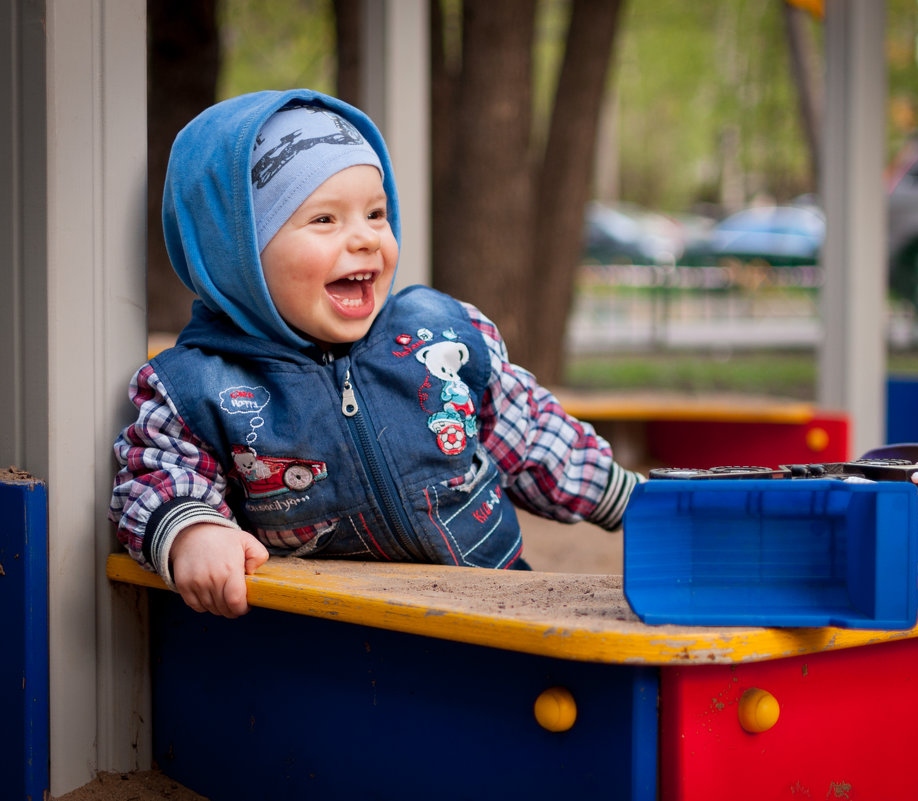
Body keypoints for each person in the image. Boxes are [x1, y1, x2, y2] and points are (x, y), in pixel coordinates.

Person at [110, 89, 643, 618]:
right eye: (325, 220)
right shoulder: (199, 387)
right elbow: (155, 476)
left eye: (376, 213)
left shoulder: (439, 334)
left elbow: (534, 437)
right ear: (236, 255)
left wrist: (632, 502)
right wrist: (194, 531)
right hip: (324, 642)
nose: (365, 239)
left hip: (492, 618)